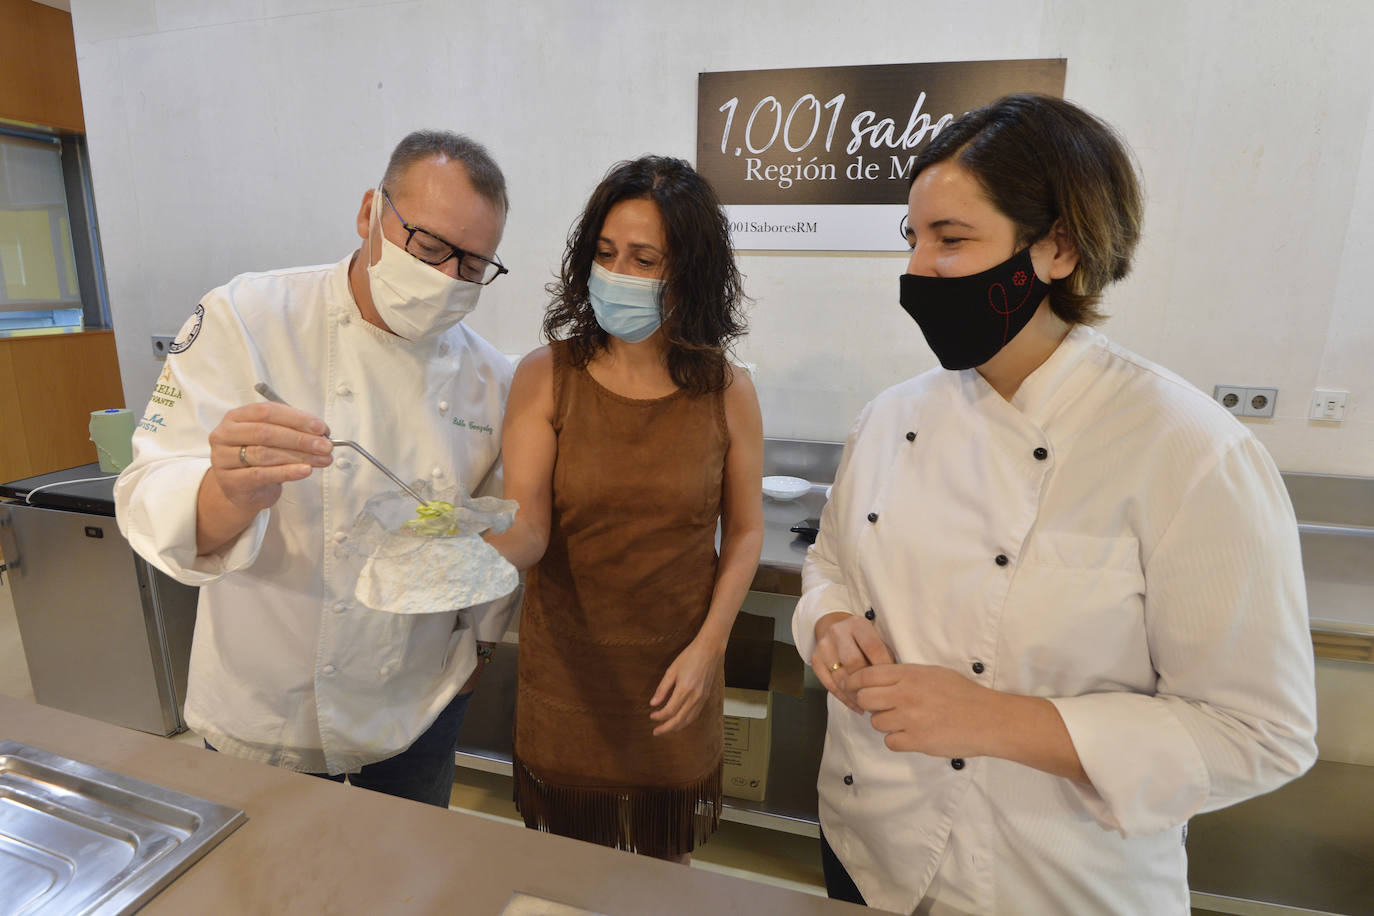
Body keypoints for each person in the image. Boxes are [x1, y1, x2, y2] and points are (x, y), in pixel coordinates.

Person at [793, 94, 1318, 914]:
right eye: (912, 237)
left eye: (951, 239)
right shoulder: (889, 417)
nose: (918, 268)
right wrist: (829, 621)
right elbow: (829, 564)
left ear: (1059, 248)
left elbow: (1260, 733)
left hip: (1047, 882)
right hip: (865, 847)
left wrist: (995, 721)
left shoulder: (1188, 450)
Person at [115, 131, 517, 807]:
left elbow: (491, 541)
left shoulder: (491, 379)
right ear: (369, 214)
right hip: (262, 712)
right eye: (429, 247)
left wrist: (480, 648)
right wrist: (227, 491)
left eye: (473, 264)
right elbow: (146, 489)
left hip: (411, 713)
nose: (448, 278)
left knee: (408, 871)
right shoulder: (247, 318)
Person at [489, 155, 764, 860]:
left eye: (644, 260)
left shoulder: (727, 391)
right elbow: (527, 528)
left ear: (689, 273)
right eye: (606, 254)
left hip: (677, 670)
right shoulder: (546, 376)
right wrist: (466, 543)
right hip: (568, 675)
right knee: (566, 870)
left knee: (662, 869)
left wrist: (709, 649)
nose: (618, 275)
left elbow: (744, 533)